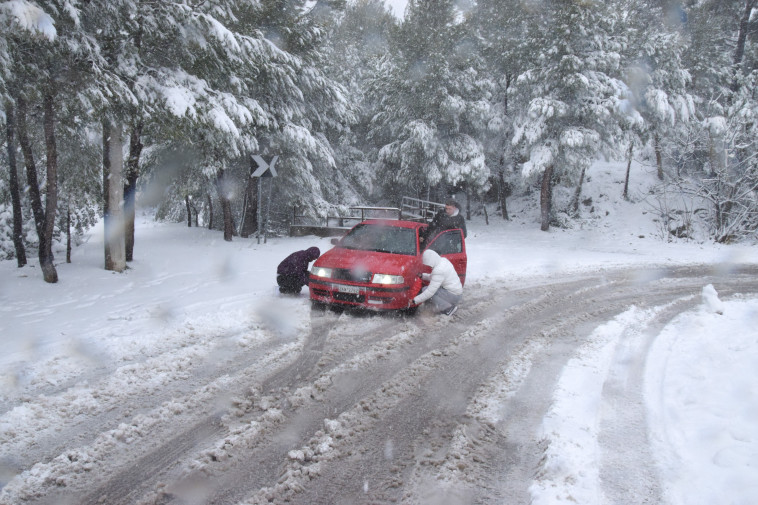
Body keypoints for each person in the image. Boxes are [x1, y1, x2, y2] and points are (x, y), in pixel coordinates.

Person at [411, 249, 463, 316]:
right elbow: (435, 278)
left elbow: (430, 292)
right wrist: (422, 276)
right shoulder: (443, 261)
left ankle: (448, 308)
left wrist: (415, 300)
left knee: (426, 290)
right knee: (429, 291)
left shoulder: (439, 270)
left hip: (453, 296)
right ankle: (440, 306)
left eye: (429, 264)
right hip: (456, 293)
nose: (429, 266)